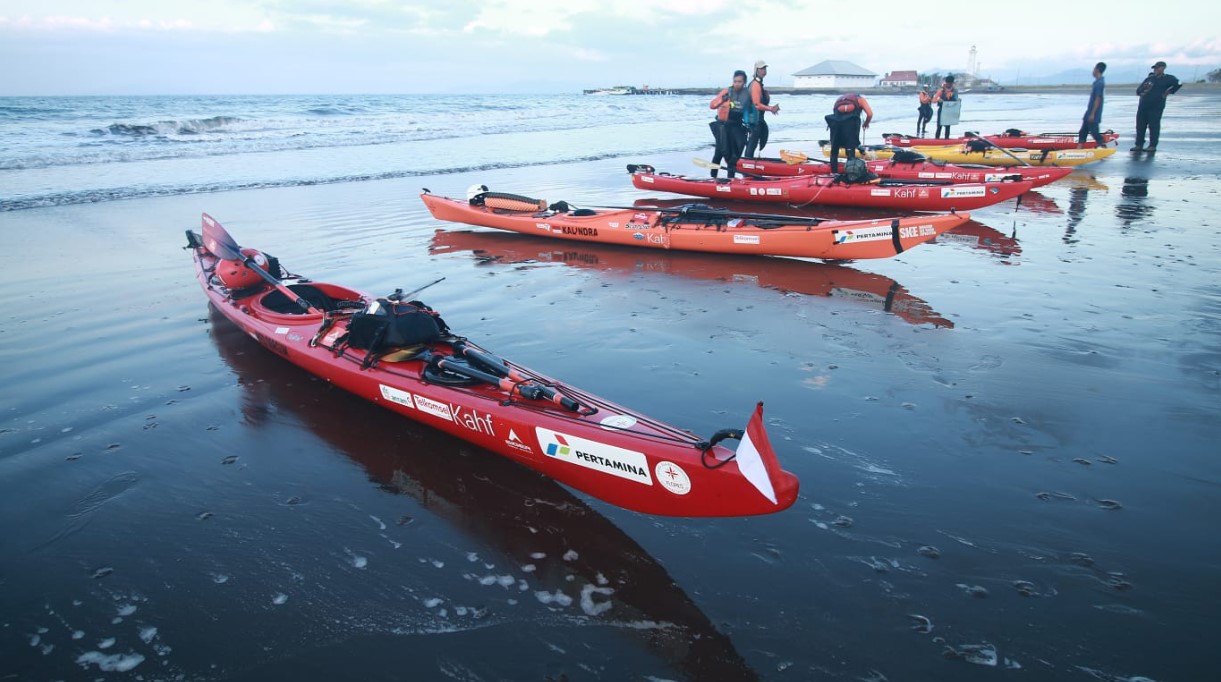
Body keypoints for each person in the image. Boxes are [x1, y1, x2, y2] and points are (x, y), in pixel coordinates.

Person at [708, 70, 751, 178]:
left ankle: (731, 179)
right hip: (723, 126)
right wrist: (722, 99)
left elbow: (753, 109)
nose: (737, 84)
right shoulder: (727, 91)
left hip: (736, 125)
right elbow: (712, 105)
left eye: (740, 81)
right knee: (719, 153)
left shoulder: (747, 94)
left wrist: (752, 125)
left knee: (734, 155)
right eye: (735, 81)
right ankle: (713, 178)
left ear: (744, 82)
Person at [1132, 61, 1182, 152]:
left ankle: (1152, 145)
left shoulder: (1168, 78)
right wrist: (1143, 91)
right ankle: (1139, 144)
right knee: (1140, 125)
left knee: (1154, 126)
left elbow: (1179, 83)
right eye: (1155, 68)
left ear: (1163, 68)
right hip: (1143, 105)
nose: (1156, 69)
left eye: (1158, 68)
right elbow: (1138, 90)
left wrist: (1169, 91)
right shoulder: (1150, 79)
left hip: (1156, 106)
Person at [824, 92, 873, 175]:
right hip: (850, 124)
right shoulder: (860, 99)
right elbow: (870, 114)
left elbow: (835, 112)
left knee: (834, 151)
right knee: (850, 148)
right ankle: (851, 172)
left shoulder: (839, 100)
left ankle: (833, 173)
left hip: (836, 124)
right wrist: (866, 123)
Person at [743, 60, 780, 158]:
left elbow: (761, 103)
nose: (764, 70)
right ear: (756, 70)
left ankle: (749, 160)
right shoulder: (755, 84)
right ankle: (747, 162)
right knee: (753, 142)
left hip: (759, 118)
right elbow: (756, 105)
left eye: (765, 68)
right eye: (761, 68)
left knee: (756, 141)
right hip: (754, 119)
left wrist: (767, 98)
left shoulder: (760, 84)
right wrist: (771, 108)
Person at [1077, 62, 1107, 149]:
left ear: (1097, 70)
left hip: (1093, 113)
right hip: (1089, 112)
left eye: (1094, 69)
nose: (1093, 71)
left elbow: (1098, 99)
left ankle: (1104, 148)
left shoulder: (1099, 83)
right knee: (1083, 131)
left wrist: (1093, 114)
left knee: (1094, 132)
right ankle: (1078, 149)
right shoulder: (1096, 82)